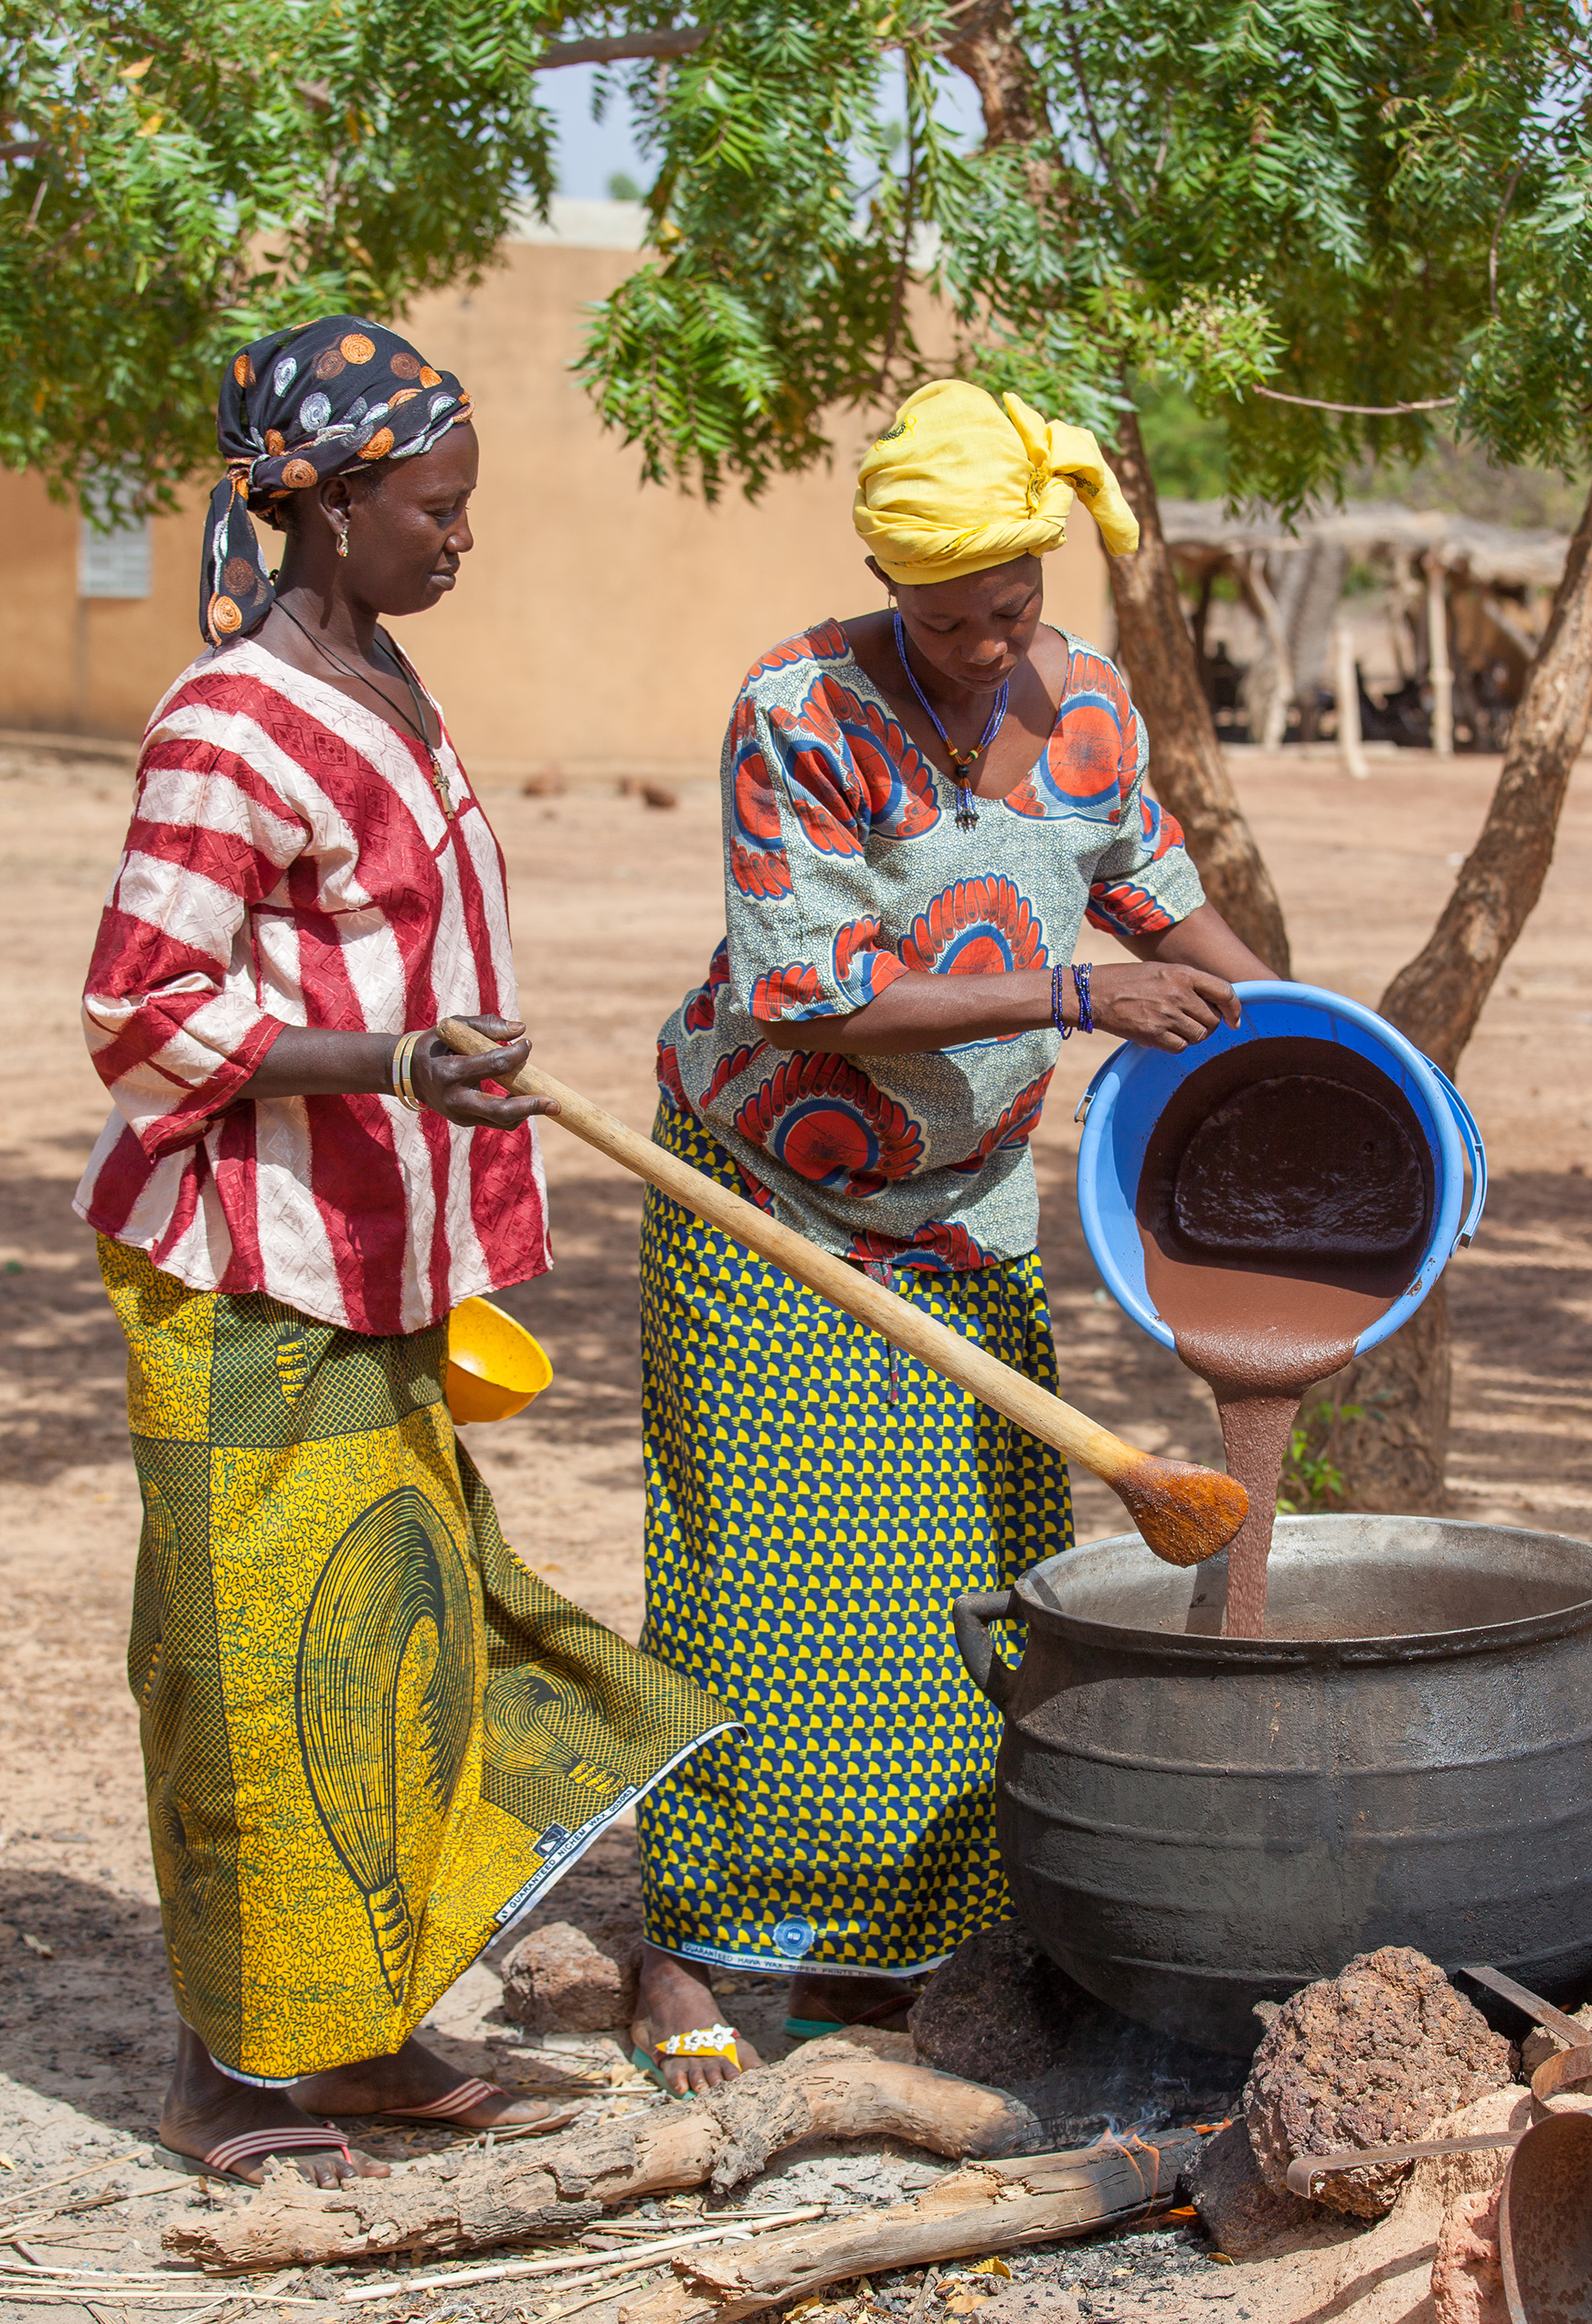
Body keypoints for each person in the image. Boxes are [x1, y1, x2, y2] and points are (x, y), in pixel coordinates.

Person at [76, 319, 732, 2183]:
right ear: (335, 501)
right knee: (250, 1669)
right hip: (243, 1279)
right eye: (433, 507)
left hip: (374, 1266)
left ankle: (349, 2034)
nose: (462, 539)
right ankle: (234, 2072)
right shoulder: (228, 726)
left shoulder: (387, 680)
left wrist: (444, 1078)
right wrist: (394, 1062)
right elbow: (138, 1015)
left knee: (394, 1650)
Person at [631, 378, 1276, 2093]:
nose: (990, 644)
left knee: (964, 1592)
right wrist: (1077, 993)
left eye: (1017, 606)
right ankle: (694, 1951)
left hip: (970, 1199)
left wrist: (1288, 1030)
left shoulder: (1086, 703)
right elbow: (805, 991)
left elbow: (1148, 878)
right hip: (776, 1194)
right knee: (761, 1580)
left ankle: (902, 1952)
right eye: (948, 617)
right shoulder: (798, 710)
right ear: (881, 578)